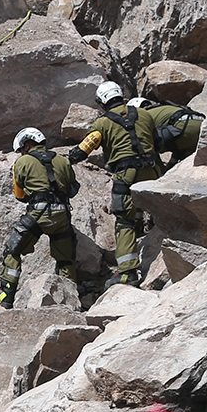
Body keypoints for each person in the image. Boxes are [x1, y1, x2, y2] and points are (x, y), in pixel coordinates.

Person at [68, 80, 161, 287]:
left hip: (126, 175)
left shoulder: (102, 123)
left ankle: (127, 273)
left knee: (125, 220)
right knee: (155, 210)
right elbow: (158, 140)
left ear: (102, 102)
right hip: (153, 171)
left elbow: (84, 148)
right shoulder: (144, 114)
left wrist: (68, 158)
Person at [0, 127, 80, 309]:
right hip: (62, 215)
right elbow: (73, 189)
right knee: (65, 259)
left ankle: (5, 295)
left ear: (28, 145)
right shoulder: (63, 160)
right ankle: (71, 300)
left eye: (22, 149)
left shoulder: (22, 162)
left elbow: (19, 195)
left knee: (12, 250)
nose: (21, 152)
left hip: (38, 214)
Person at [131, 97, 204, 170]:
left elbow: (147, 145)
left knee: (146, 141)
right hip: (201, 126)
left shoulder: (142, 116)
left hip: (184, 128)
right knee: (177, 142)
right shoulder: (163, 108)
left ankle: (158, 171)